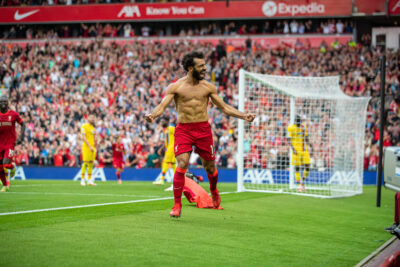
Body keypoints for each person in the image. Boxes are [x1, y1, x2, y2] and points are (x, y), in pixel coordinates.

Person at [145, 51, 255, 218]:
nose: (205, 68)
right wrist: (153, 115)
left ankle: (214, 190)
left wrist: (243, 116)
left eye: (204, 65)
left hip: (203, 130)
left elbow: (224, 107)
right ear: (190, 68)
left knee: (210, 167)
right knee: (182, 163)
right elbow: (162, 105)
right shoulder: (175, 87)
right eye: (201, 66)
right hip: (184, 130)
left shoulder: (208, 87)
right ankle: (176, 205)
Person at [0, 95, 25, 192]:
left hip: (10, 143)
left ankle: (13, 166)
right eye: (1, 102)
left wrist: (20, 137)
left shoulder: (13, 114)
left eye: (4, 102)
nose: (3, 104)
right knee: (0, 167)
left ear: (7, 103)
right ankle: (5, 186)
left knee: (6, 164)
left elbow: (23, 124)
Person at [287, 115, 312, 192]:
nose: (298, 123)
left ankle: (302, 182)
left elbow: (306, 137)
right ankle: (299, 186)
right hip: (296, 151)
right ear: (295, 121)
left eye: (299, 122)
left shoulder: (303, 127)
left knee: (307, 166)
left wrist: (310, 145)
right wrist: (293, 149)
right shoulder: (290, 128)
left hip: (304, 149)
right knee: (297, 168)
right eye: (297, 122)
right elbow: (289, 139)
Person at [153, 117, 177, 185]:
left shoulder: (171, 128)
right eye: (161, 121)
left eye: (163, 121)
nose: (161, 122)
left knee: (165, 162)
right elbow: (166, 141)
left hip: (171, 149)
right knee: (173, 164)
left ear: (167, 121)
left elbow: (178, 135)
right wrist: (161, 148)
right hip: (168, 149)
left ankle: (162, 179)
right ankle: (178, 180)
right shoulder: (166, 130)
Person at [80, 114, 97, 186]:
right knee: (85, 163)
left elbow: (94, 138)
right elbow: (83, 137)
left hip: (92, 148)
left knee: (91, 164)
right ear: (88, 118)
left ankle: (89, 180)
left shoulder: (93, 128)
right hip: (86, 147)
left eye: (94, 118)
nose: (93, 119)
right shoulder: (84, 126)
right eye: (91, 117)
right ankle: (82, 180)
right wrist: (89, 146)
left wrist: (95, 146)